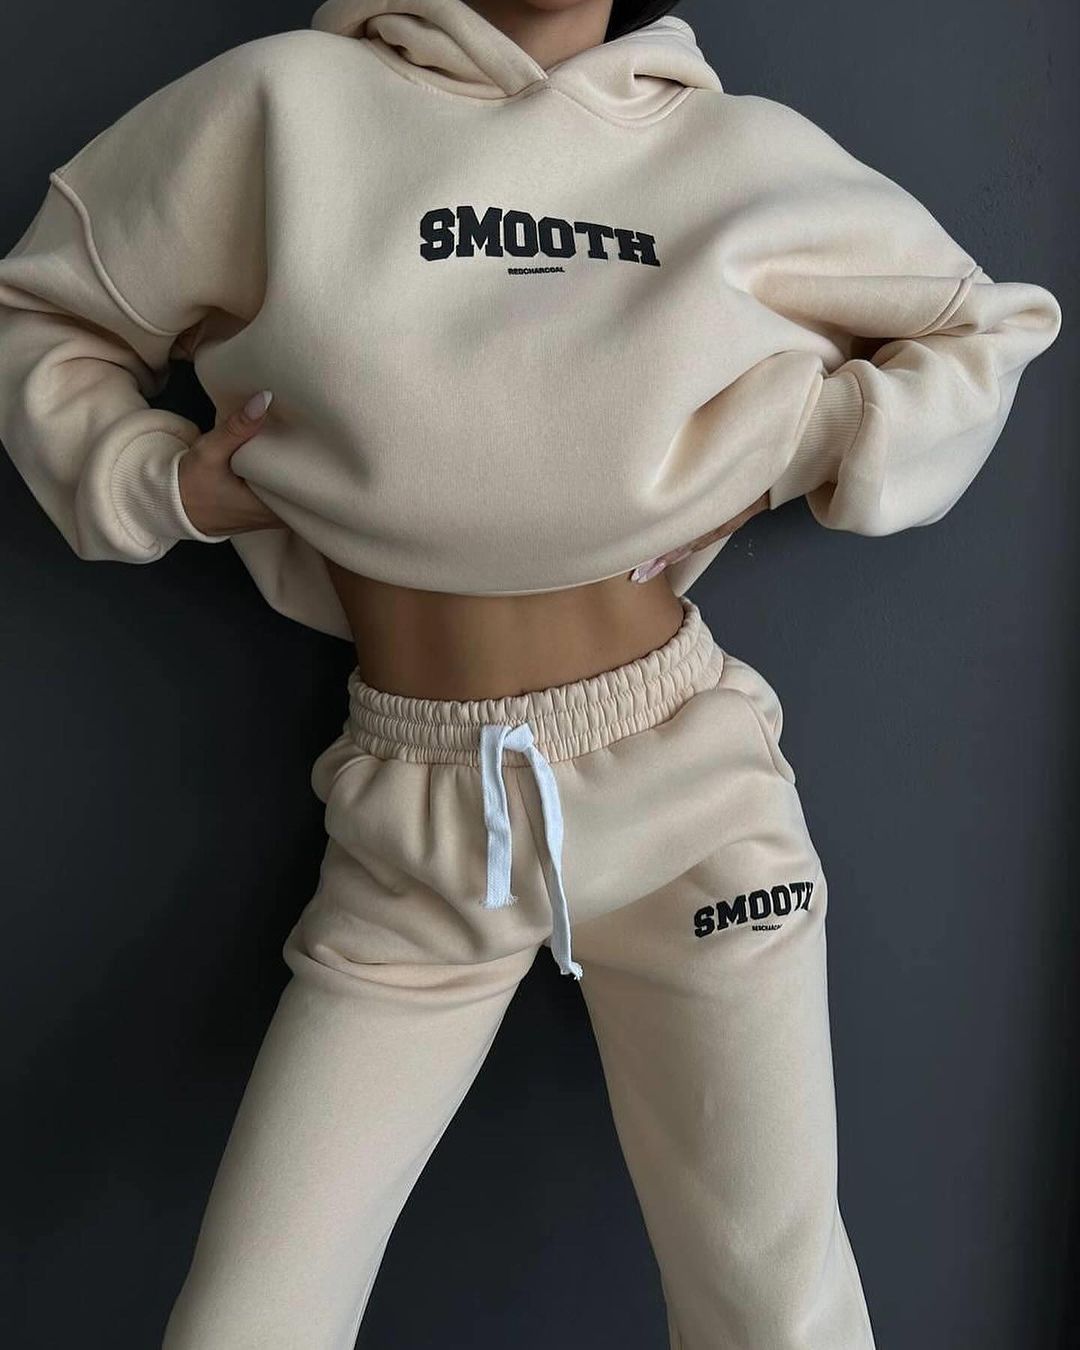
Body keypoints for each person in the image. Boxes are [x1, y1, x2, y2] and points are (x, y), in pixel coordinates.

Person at [0, 1, 1061, 1346]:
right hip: (413, 818)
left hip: (693, 791)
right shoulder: (276, 109)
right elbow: (40, 308)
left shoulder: (739, 152)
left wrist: (814, 438)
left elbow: (992, 324)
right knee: (248, 1322)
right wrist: (160, 483)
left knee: (775, 1312)